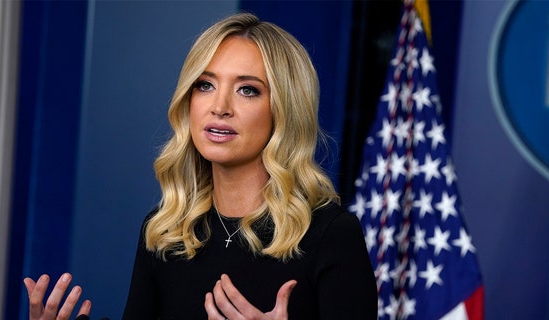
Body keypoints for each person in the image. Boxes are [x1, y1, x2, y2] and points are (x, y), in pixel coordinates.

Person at [24, 12, 377, 320]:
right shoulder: (166, 232)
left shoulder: (331, 235)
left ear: (284, 110)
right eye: (205, 85)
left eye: (248, 90)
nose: (219, 106)